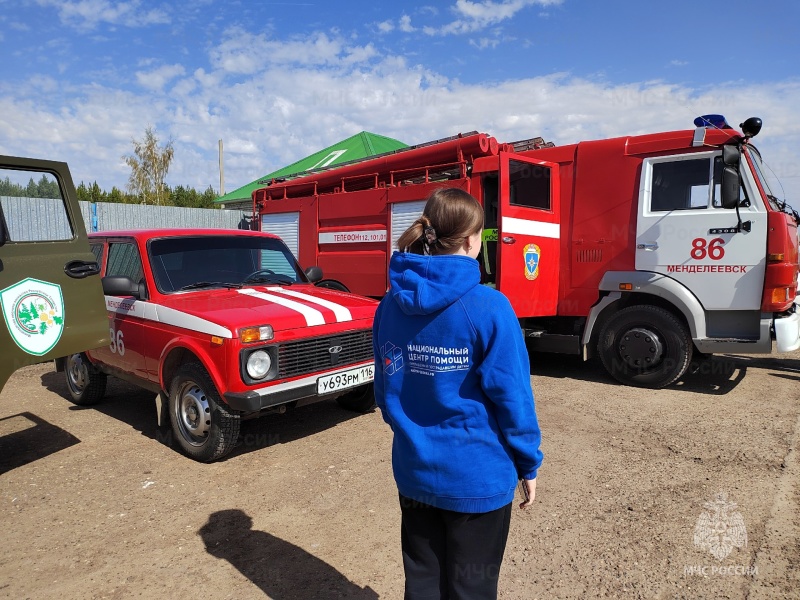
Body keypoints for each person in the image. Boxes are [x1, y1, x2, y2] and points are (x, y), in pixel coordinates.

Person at [372, 187, 543, 600]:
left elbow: (384, 390)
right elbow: (513, 398)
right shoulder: (489, 306)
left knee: (424, 584)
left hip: (414, 476)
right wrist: (528, 464)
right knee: (472, 588)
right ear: (471, 240)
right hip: (477, 480)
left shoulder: (388, 307)